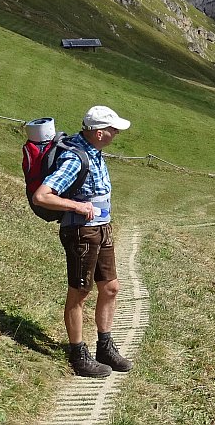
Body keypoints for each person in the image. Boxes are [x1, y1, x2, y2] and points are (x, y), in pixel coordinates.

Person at [32, 105, 134, 378]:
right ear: (99, 133)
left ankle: (105, 347)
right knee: (80, 292)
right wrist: (76, 207)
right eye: (113, 130)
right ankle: (78, 354)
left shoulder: (94, 151)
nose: (116, 134)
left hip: (101, 228)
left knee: (111, 287)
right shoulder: (75, 158)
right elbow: (42, 196)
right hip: (81, 233)